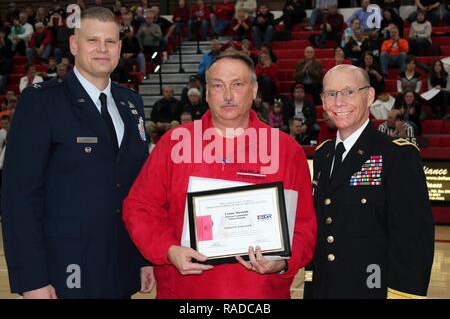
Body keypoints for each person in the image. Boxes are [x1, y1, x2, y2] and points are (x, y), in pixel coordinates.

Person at [122, 52, 317, 299]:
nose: (227, 95)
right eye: (217, 85)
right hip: (185, 294)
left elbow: (304, 227)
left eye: (237, 84)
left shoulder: (287, 150)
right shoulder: (174, 143)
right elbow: (139, 207)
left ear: (254, 90)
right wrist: (168, 250)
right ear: (206, 93)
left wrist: (283, 262)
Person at [1, 7, 153, 299]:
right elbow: (18, 197)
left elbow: (138, 189)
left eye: (110, 41)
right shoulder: (42, 102)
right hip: (64, 270)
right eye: (92, 40)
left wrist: (144, 258)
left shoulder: (131, 103)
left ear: (120, 48)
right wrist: (31, 278)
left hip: (121, 266)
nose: (102, 49)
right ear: (74, 44)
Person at [304, 64, 434, 299]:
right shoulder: (323, 156)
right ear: (323, 102)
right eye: (331, 94)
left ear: (370, 96)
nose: (339, 101)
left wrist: (401, 296)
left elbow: (413, 240)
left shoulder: (397, 155)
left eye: (348, 92)